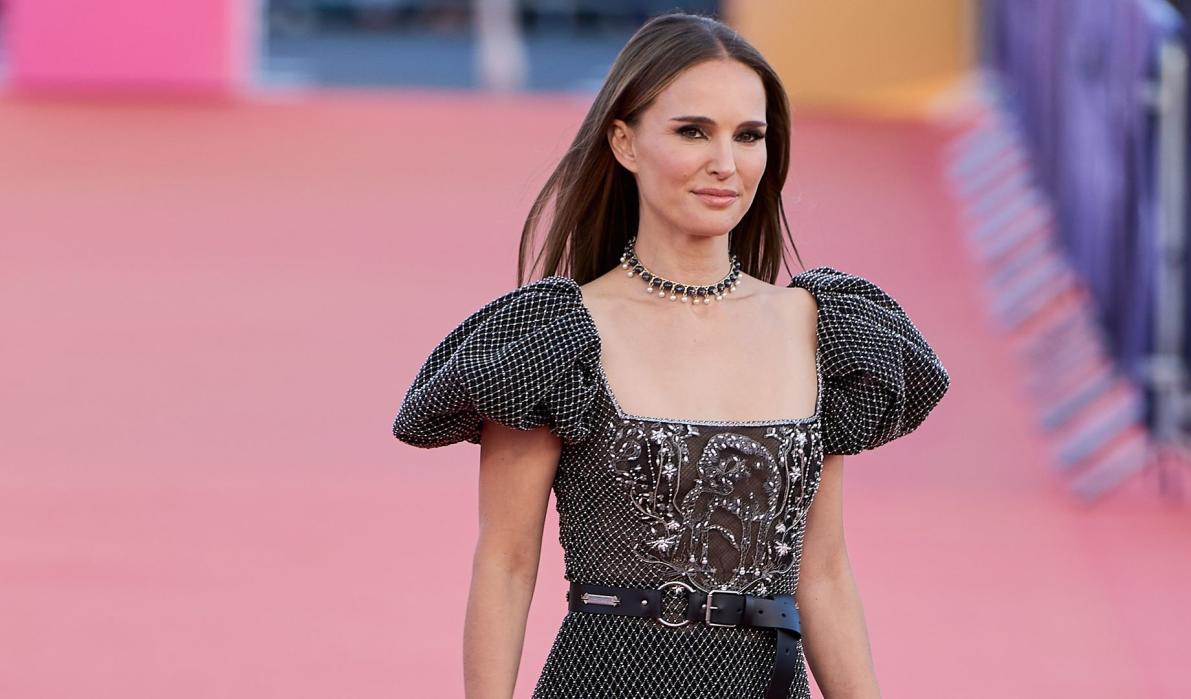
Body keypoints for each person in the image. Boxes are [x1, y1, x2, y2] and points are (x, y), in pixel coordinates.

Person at [392, 11, 950, 699]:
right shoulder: (559, 336)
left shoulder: (813, 328)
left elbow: (825, 571)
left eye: (749, 136)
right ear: (624, 142)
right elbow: (506, 563)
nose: (726, 162)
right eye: (693, 131)